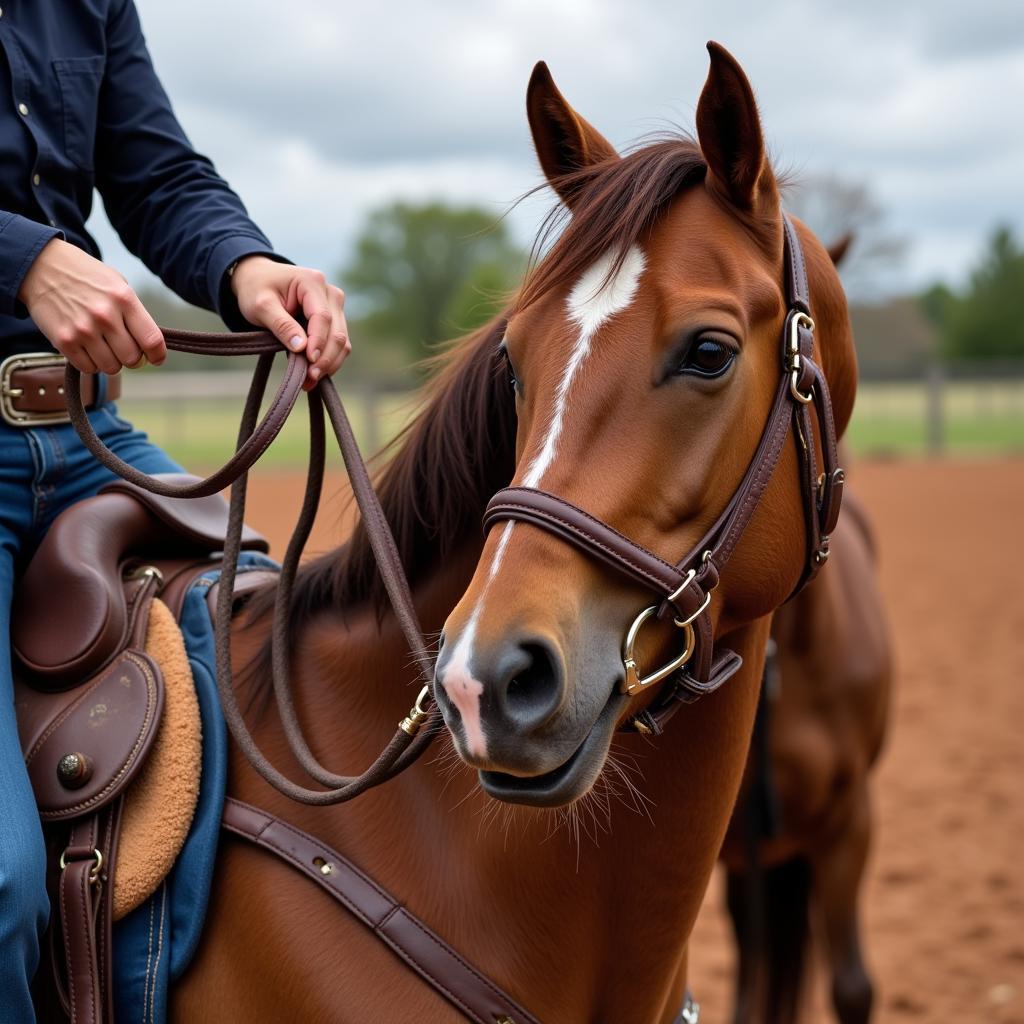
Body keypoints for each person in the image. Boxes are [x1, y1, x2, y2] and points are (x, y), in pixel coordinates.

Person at [0, 3, 349, 1018]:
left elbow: (155, 173)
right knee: (7, 883)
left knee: (286, 670)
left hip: (86, 436)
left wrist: (248, 268)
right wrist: (22, 254)